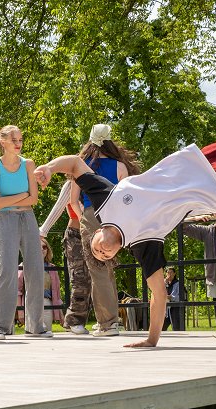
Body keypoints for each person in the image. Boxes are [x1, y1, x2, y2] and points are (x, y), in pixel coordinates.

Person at [34, 129, 216, 347]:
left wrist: (48, 167)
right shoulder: (143, 244)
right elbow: (158, 295)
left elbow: (74, 164)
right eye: (105, 255)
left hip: (199, 162)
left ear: (97, 232)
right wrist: (151, 339)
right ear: (116, 254)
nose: (103, 251)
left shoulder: (106, 200)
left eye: (97, 248)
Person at [69, 124, 141, 337]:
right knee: (108, 268)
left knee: (97, 270)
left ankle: (107, 323)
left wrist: (85, 220)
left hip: (91, 214)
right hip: (114, 218)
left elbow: (73, 201)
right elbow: (128, 198)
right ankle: (111, 320)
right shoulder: (120, 166)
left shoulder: (81, 166)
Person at [0, 125, 52, 340]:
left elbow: (33, 199)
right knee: (6, 270)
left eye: (20, 139)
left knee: (35, 269)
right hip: (4, 219)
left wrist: (14, 198)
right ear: (2, 141)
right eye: (13, 139)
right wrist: (22, 194)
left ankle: (35, 325)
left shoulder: (28, 164)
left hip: (28, 217)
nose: (18, 143)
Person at [39, 181, 92, 334]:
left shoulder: (98, 180)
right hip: (75, 235)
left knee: (96, 278)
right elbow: (58, 208)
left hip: (94, 234)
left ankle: (97, 320)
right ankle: (74, 320)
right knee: (79, 276)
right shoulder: (71, 184)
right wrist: (43, 231)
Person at [17, 237, 64, 330]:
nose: (42, 249)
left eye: (44, 247)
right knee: (33, 333)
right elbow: (17, 291)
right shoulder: (24, 266)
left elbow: (57, 294)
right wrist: (20, 312)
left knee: (47, 333)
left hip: (47, 303)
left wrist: (60, 313)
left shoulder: (52, 268)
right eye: (38, 246)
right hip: (30, 303)